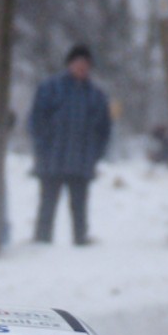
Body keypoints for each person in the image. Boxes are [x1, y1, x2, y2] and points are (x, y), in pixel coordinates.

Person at [27, 44, 111, 246]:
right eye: (78, 63)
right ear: (69, 64)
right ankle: (41, 243)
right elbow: (36, 121)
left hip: (81, 162)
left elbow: (104, 129)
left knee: (80, 207)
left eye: (85, 64)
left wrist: (95, 153)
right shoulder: (50, 89)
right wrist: (43, 146)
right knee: (47, 205)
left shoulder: (96, 95)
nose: (81, 68)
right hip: (52, 160)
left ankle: (80, 242)